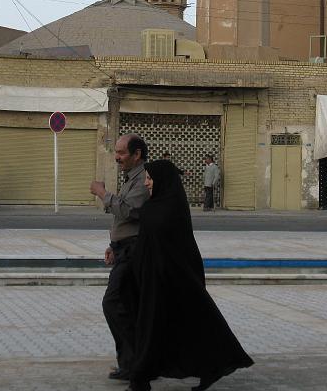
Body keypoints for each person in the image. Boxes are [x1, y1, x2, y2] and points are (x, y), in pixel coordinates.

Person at [127, 160, 253, 391]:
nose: (146, 183)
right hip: (159, 279)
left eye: (149, 178)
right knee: (168, 328)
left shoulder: (163, 209)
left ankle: (141, 378)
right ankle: (143, 377)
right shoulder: (166, 205)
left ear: (162, 180)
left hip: (171, 280)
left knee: (174, 327)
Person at [90, 134, 150, 382]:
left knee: (113, 303)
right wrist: (113, 244)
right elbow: (124, 218)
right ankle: (134, 363)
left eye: (122, 153)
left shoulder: (144, 180)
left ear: (136, 155)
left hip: (134, 253)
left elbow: (130, 211)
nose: (117, 158)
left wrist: (103, 194)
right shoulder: (130, 179)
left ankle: (134, 364)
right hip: (124, 249)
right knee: (128, 307)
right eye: (116, 152)